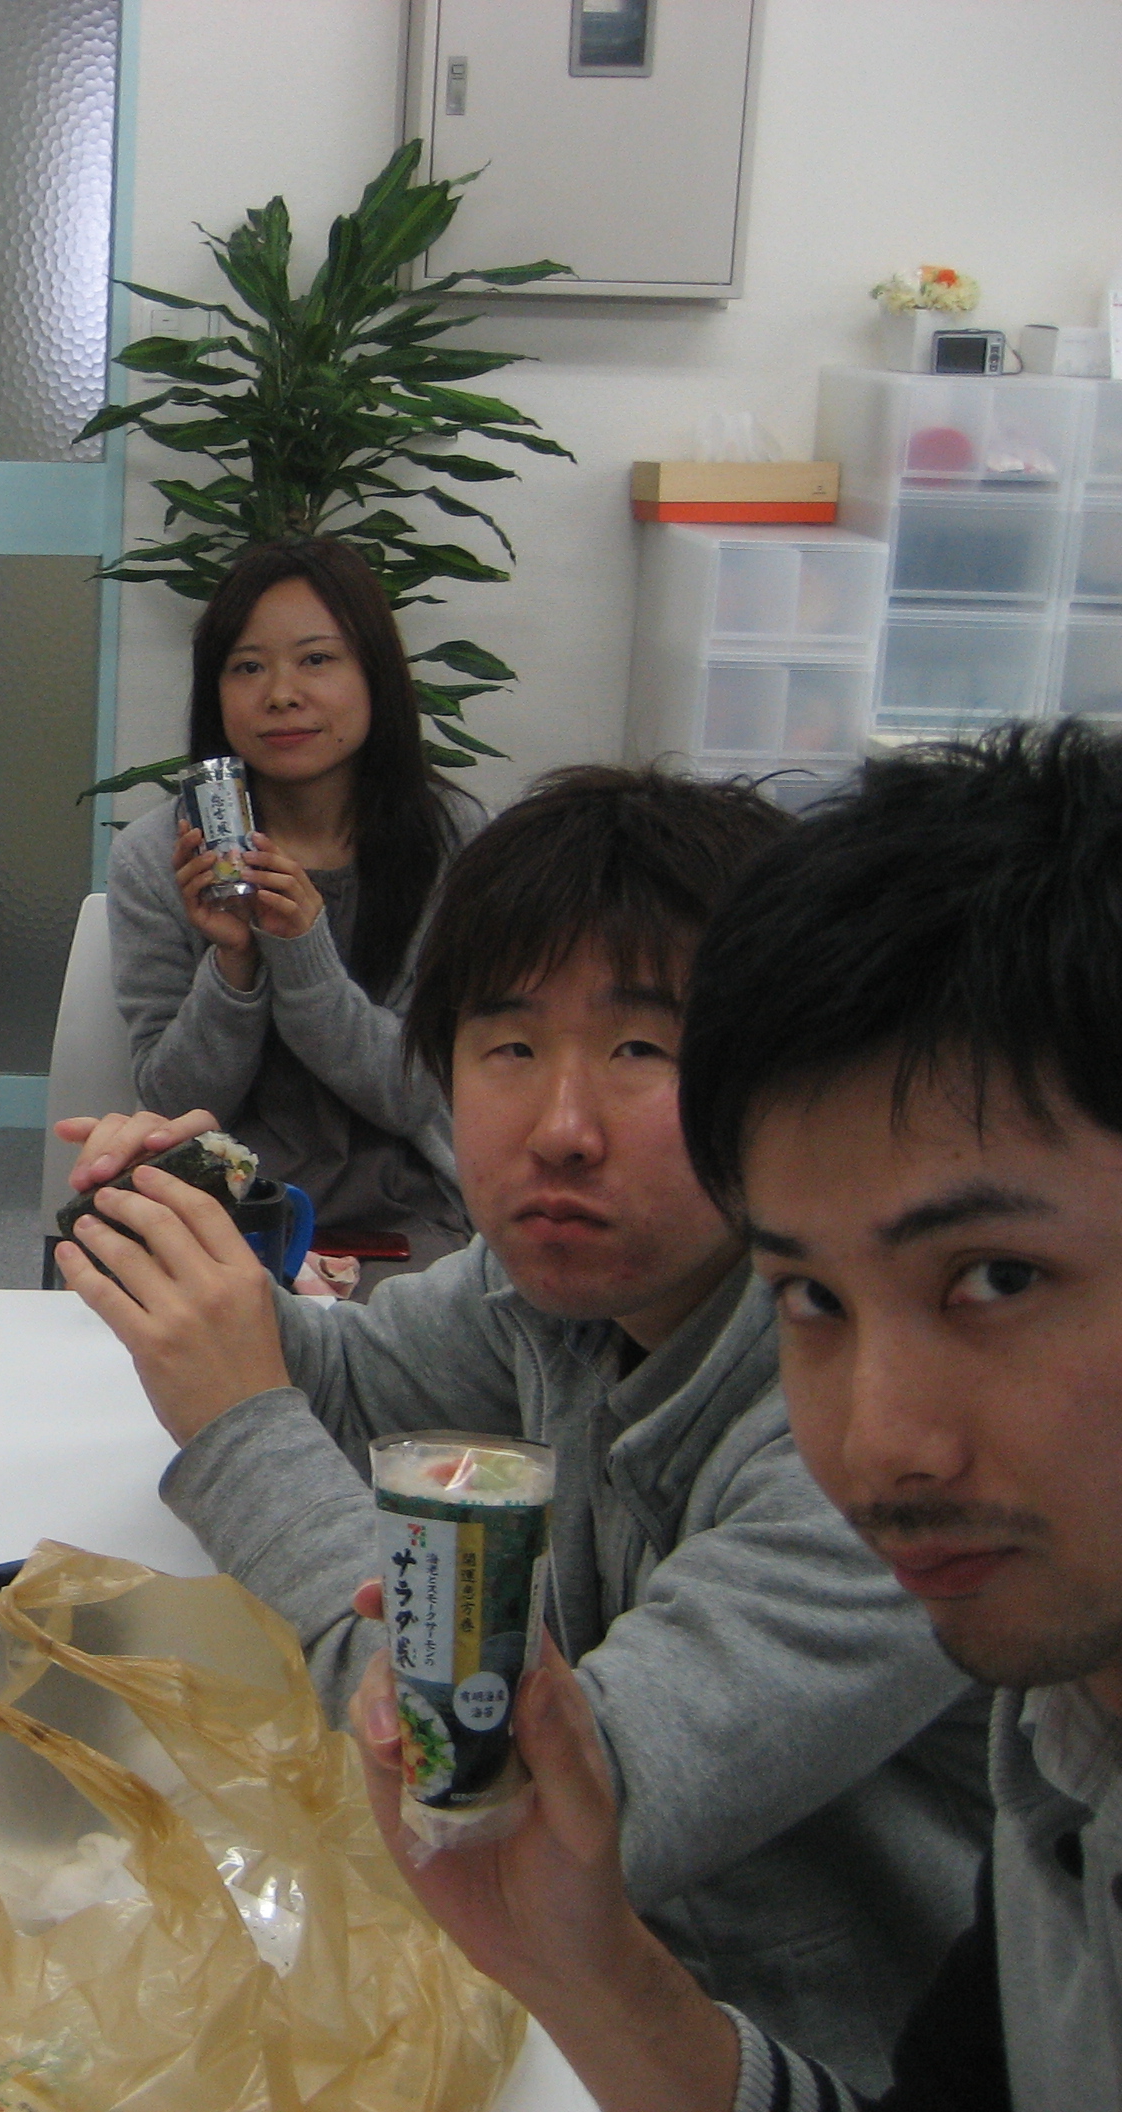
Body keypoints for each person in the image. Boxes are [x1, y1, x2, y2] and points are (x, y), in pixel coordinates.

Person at [55, 765, 990, 2091]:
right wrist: (202, 1244)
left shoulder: (871, 1439)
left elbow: (498, 1807)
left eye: (640, 1050)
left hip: (791, 2045)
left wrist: (238, 1421)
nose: (560, 1129)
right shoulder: (561, 1285)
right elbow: (357, 1389)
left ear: (779, 1079)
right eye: (508, 1047)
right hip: (577, 1994)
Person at [347, 723, 1122, 2110]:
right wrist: (586, 1967)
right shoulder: (1065, 1730)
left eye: (994, 1280)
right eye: (810, 1297)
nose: (878, 1447)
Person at [109, 538, 483, 1277]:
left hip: (412, 1221)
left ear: (376, 674)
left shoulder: (456, 844)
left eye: (316, 659)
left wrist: (304, 950)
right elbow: (175, 1103)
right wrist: (234, 963)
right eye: (247, 667)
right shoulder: (160, 857)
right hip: (223, 1216)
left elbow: (422, 1093)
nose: (281, 694)